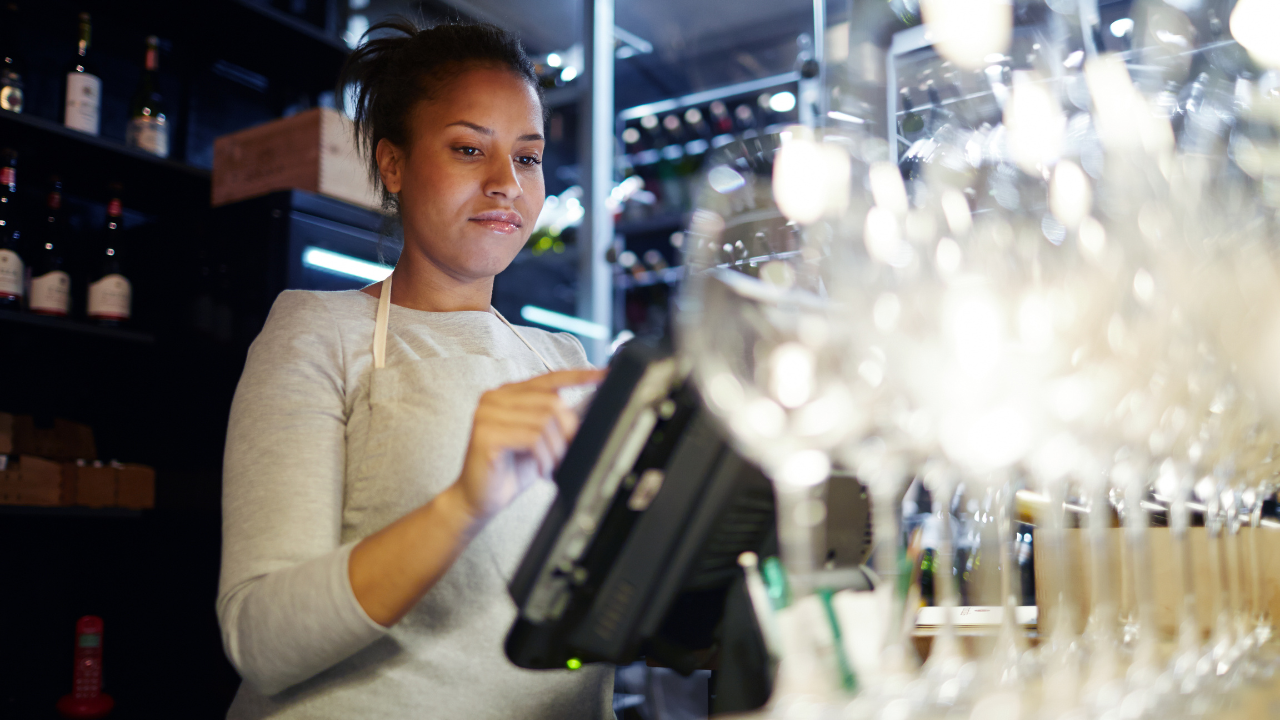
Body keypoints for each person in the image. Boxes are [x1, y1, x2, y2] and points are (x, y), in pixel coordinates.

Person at [215, 19, 612, 719]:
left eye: (527, 157)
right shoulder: (317, 331)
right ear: (393, 166)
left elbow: (614, 602)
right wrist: (464, 504)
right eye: (469, 149)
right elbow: (260, 638)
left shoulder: (563, 360)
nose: (506, 183)